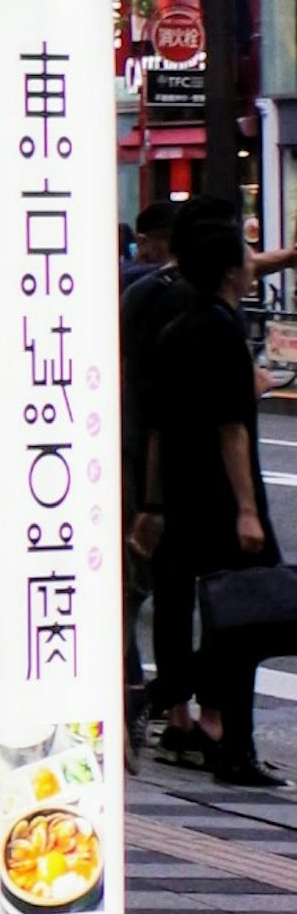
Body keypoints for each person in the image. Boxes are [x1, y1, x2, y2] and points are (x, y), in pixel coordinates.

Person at [132, 197, 280, 788]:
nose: (251, 263)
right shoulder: (220, 332)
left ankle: (179, 709)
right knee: (245, 618)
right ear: (229, 272)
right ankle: (225, 739)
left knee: (179, 601)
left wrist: (152, 505)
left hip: (180, 497)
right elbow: (231, 428)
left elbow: (159, 431)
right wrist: (247, 508)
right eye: (246, 257)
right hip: (220, 498)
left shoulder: (174, 329)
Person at [121, 200, 185, 715]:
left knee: (146, 586)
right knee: (145, 583)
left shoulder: (138, 290)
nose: (142, 251)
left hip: (135, 450)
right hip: (146, 458)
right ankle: (143, 694)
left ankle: (146, 695)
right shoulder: (153, 291)